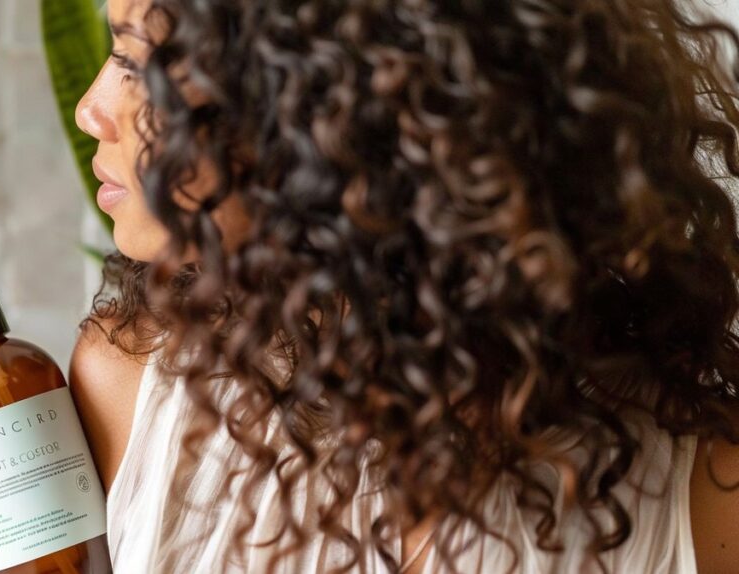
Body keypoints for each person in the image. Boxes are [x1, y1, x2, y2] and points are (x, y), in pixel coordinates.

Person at [68, 0, 739, 571]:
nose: (90, 110)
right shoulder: (133, 387)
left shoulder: (705, 494)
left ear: (331, 95)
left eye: (134, 61)